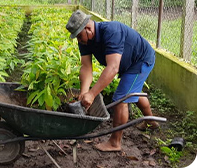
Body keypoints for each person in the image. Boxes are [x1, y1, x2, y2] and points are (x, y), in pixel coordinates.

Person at [66, 10, 159, 152]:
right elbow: (86, 67)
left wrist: (92, 94)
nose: (79, 40)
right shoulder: (85, 39)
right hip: (128, 63)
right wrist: (84, 91)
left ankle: (115, 142)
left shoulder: (111, 31)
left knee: (121, 98)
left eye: (79, 36)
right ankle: (151, 122)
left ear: (88, 29)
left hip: (140, 60)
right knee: (132, 92)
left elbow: (113, 67)